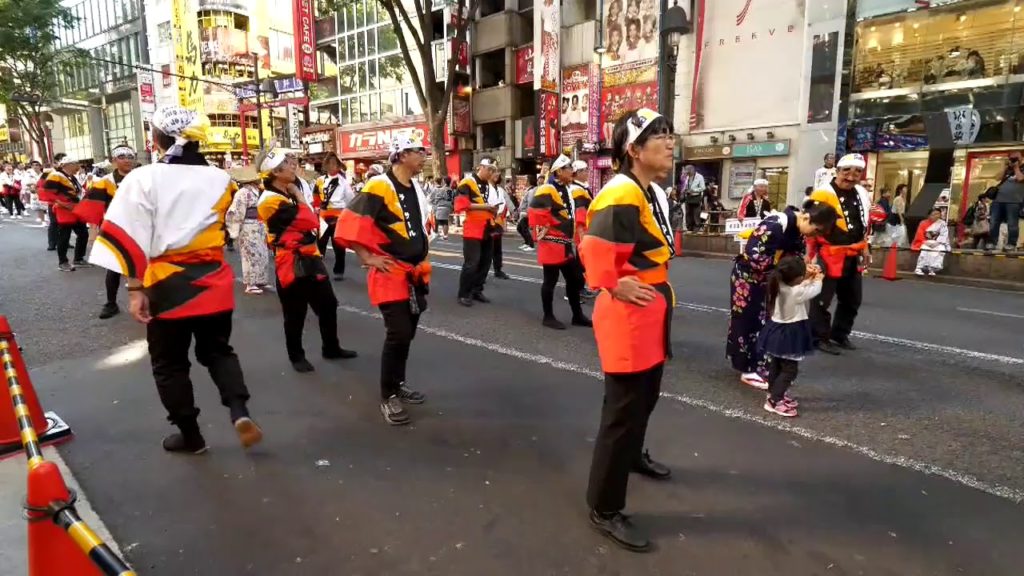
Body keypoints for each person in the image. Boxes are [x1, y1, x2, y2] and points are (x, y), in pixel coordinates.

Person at [88, 105, 262, 454]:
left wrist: (135, 289)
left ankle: (191, 435)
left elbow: (130, 237)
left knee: (169, 363)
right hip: (213, 277)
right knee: (218, 351)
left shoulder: (143, 177)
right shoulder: (221, 179)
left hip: (167, 282)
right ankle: (239, 411)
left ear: (157, 139)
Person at [580, 109, 676, 552]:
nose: (670, 142)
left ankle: (633, 456)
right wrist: (614, 283)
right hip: (629, 313)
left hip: (650, 306)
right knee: (622, 410)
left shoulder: (648, 189)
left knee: (646, 396)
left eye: (669, 135)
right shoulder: (622, 190)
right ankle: (604, 506)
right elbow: (595, 248)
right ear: (634, 150)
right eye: (660, 136)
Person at [336, 136, 432, 425]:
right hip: (391, 271)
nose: (423, 155)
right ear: (401, 155)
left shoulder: (415, 185)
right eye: (418, 151)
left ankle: (398, 383)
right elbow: (350, 220)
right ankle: (388, 395)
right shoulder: (380, 185)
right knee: (399, 333)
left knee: (408, 332)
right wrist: (368, 258)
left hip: (414, 272)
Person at [256, 142, 358, 373]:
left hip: (310, 256)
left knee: (328, 304)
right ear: (276, 172)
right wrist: (299, 195)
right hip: (290, 261)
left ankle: (331, 347)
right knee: (295, 312)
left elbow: (310, 220)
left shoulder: (287, 192)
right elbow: (311, 221)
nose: (294, 168)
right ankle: (296, 356)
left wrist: (297, 195)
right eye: (289, 165)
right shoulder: (270, 199)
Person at [727, 191, 838, 389]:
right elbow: (756, 258)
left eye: (820, 233)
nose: (815, 235)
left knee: (769, 321)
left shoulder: (798, 229)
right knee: (748, 321)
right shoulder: (775, 224)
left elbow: (794, 258)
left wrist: (804, 269)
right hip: (749, 278)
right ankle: (747, 368)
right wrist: (790, 271)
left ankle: (764, 366)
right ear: (806, 217)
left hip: (772, 279)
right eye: (816, 230)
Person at [807, 153, 873, 355]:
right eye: (847, 171)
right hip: (828, 253)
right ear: (837, 171)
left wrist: (865, 247)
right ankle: (818, 336)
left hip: (852, 252)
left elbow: (864, 225)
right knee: (822, 298)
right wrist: (810, 255)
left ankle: (840, 333)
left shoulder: (861, 192)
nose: (851, 177)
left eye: (857, 172)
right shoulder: (822, 193)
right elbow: (810, 227)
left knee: (853, 298)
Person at [528, 154, 591, 330]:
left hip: (564, 242)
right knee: (550, 280)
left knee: (576, 278)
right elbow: (535, 212)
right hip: (551, 242)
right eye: (569, 168)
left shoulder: (567, 189)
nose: (572, 171)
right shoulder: (547, 189)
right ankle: (548, 316)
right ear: (559, 171)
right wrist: (552, 225)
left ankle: (577, 315)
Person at [757, 256, 823, 417]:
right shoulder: (795, 292)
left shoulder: (778, 284)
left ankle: (774, 393)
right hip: (790, 334)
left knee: (776, 365)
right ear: (794, 278)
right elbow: (814, 290)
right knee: (789, 370)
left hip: (776, 331)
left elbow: (800, 286)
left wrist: (807, 277)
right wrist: (818, 278)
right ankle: (774, 401)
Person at [76, 144, 137, 319]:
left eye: (130, 156)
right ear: (113, 160)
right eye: (122, 156)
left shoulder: (140, 178)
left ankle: (148, 301)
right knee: (114, 268)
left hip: (140, 228)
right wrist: (93, 232)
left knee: (144, 267)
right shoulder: (105, 182)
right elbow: (92, 207)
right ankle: (111, 303)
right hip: (116, 229)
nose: (127, 160)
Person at [454, 157, 500, 307]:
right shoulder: (467, 182)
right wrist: (485, 207)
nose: (492, 173)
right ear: (481, 167)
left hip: (488, 226)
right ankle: (464, 293)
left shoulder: (489, 185)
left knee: (486, 262)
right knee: (472, 262)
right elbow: (461, 204)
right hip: (473, 228)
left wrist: (494, 208)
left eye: (494, 170)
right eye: (489, 170)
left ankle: (477, 289)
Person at [226, 166, 272, 294]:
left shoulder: (259, 191)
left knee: (261, 254)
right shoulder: (243, 192)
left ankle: (260, 279)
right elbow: (236, 211)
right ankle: (250, 283)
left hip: (259, 225)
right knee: (250, 255)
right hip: (248, 226)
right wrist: (235, 229)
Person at [42, 156, 89, 272]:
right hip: (64, 210)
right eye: (76, 163)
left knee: (83, 233)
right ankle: (63, 262)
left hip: (75, 208)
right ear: (67, 165)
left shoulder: (71, 177)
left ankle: (78, 258)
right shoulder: (56, 175)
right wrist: (60, 202)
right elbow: (46, 192)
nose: (78, 166)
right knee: (64, 236)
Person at [313, 153, 354, 280]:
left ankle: (339, 271)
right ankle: (318, 270)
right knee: (320, 245)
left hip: (338, 216)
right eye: (329, 164)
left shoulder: (344, 183)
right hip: (323, 215)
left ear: (338, 166)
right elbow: (315, 196)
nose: (331, 166)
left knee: (339, 246)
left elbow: (350, 199)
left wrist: (346, 215)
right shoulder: (320, 181)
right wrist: (317, 208)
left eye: (334, 164)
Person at [986, 150, 1024, 252]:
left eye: (1017, 158)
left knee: (1012, 224)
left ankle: (1011, 244)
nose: (1014, 160)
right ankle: (991, 243)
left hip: (1014, 201)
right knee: (994, 222)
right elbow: (997, 177)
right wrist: (1006, 167)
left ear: (1021, 158)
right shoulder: (1007, 169)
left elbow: (1020, 179)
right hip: (998, 200)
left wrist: (1016, 167)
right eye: (1012, 158)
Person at [912, 208, 950, 276]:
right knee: (925, 249)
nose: (936, 216)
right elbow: (919, 234)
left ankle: (932, 268)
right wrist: (925, 242)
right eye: (934, 214)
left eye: (938, 214)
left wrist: (937, 242)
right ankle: (919, 267)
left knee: (940, 249)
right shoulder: (923, 223)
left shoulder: (942, 223)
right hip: (925, 241)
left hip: (938, 242)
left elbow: (944, 235)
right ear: (929, 215)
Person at [489, 171, 512, 280]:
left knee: (497, 248)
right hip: (488, 221)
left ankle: (498, 270)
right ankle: (480, 273)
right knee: (487, 248)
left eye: (498, 174)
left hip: (498, 221)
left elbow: (505, 203)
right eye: (495, 173)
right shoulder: (485, 188)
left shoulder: (500, 189)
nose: (497, 175)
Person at [517, 174, 538, 251]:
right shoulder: (529, 189)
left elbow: (530, 202)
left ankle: (531, 245)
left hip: (526, 213)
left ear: (529, 181)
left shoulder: (532, 190)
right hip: (524, 212)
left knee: (523, 228)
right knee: (520, 228)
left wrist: (528, 213)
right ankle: (527, 243)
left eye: (526, 180)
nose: (524, 182)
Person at [682, 164, 705, 231]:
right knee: (688, 214)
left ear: (691, 169)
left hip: (696, 197)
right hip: (688, 197)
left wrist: (693, 190)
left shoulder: (699, 177)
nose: (686, 171)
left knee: (696, 214)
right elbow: (684, 185)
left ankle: (696, 229)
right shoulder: (687, 177)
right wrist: (685, 189)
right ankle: (689, 228)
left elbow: (703, 188)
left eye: (687, 170)